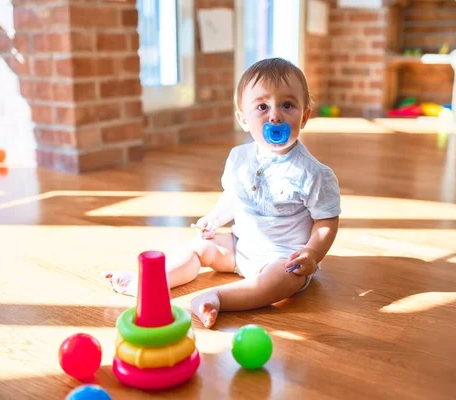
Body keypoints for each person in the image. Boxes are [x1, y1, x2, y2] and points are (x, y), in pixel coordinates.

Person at [105, 57, 341, 328]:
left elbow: (326, 221)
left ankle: (217, 297)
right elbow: (233, 196)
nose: (275, 116)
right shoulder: (239, 158)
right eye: (262, 106)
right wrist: (214, 218)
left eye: (287, 105)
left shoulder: (314, 173)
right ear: (243, 119)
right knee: (199, 247)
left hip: (284, 256)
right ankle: (148, 285)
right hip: (239, 247)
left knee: (282, 281)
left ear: (305, 115)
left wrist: (311, 253)